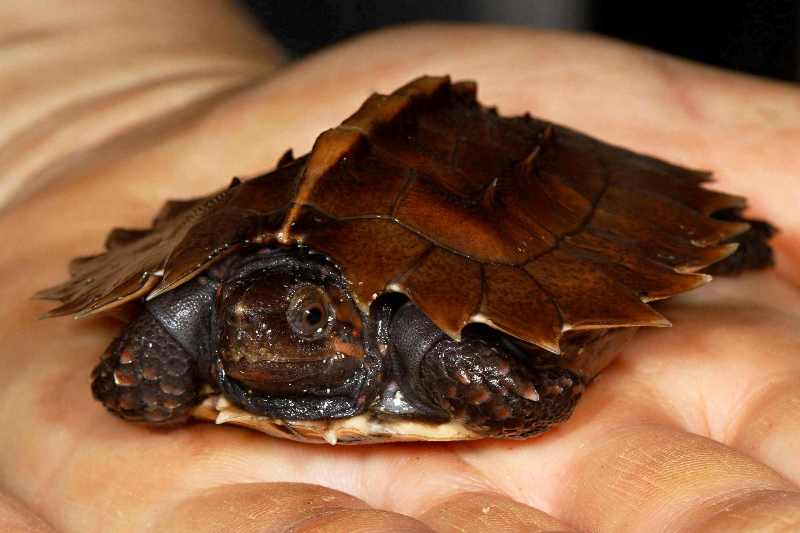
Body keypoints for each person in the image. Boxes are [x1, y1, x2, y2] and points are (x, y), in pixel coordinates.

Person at [1, 2, 798, 531]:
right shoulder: (210, 309)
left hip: (508, 186)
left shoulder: (418, 334)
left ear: (352, 319)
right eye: (235, 315)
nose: (256, 331)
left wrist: (511, 385)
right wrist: (68, 99)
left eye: (312, 318)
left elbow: (506, 382)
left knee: (717, 240)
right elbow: (163, 346)